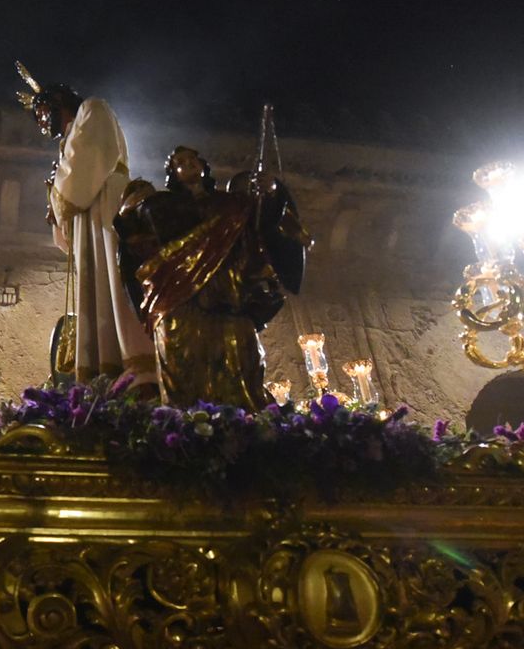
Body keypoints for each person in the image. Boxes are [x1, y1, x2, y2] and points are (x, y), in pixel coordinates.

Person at [116, 146, 310, 409]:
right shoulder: (163, 206)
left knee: (241, 359)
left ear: (204, 165)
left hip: (229, 297)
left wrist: (273, 191)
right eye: (180, 162)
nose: (189, 164)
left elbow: (264, 221)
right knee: (182, 361)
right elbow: (133, 236)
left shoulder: (231, 204)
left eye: (192, 159)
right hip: (177, 297)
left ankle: (243, 424)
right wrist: (130, 206)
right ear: (173, 173)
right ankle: (185, 426)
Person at [16, 63, 156, 390]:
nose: (40, 121)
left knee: (114, 280)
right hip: (87, 215)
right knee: (95, 288)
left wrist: (58, 194)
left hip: (106, 205)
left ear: (57, 102)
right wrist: (57, 199)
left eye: (41, 111)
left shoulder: (93, 109)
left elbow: (89, 158)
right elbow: (70, 183)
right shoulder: (64, 142)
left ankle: (136, 363)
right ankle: (99, 370)